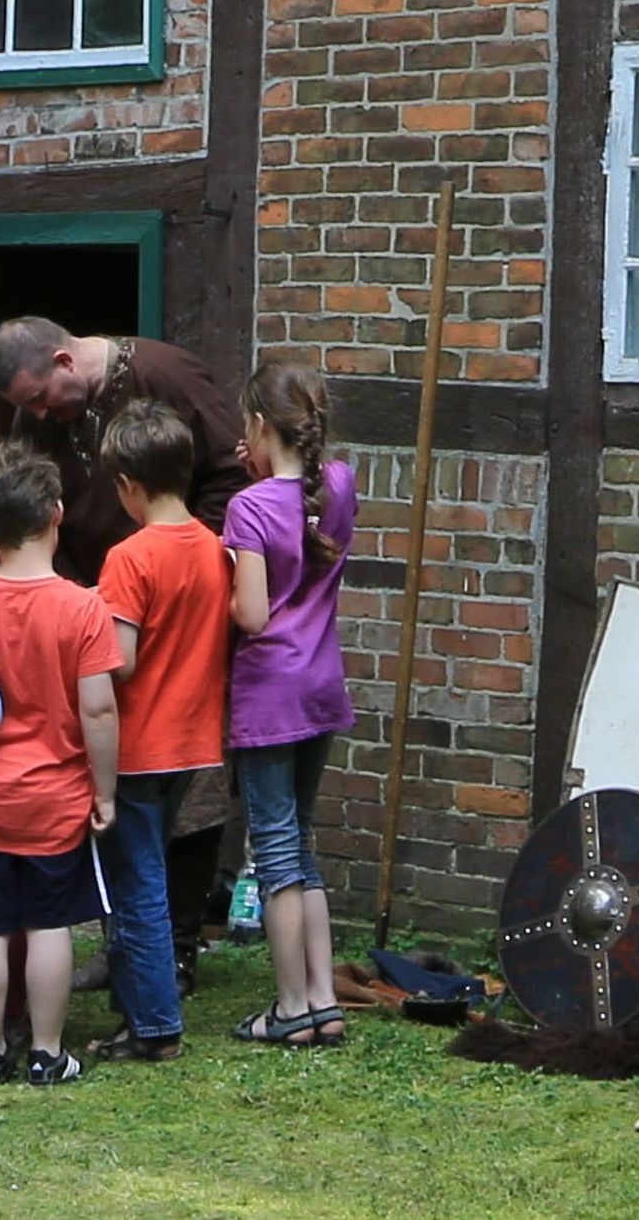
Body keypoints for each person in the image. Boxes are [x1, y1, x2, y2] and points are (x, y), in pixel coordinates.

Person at [0, 448, 118, 1086]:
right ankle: (47, 1050)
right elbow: (98, 710)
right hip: (57, 794)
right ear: (57, 515)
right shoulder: (81, 608)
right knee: (50, 922)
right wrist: (105, 791)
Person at [86, 398, 231, 1063]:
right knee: (151, 879)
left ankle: (153, 1024)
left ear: (128, 485)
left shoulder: (129, 556)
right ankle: (140, 1007)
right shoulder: (213, 547)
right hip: (193, 741)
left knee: (135, 885)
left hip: (138, 745)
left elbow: (123, 658)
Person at [221, 359, 361, 1047]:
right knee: (303, 841)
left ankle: (288, 1006)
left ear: (256, 424)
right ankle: (324, 997)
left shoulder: (247, 508)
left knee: (273, 847)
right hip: (322, 681)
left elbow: (249, 611)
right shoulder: (338, 483)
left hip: (268, 690)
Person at [0, 316, 248, 525]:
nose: (38, 413)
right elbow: (29, 502)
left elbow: (232, 470)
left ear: (64, 361)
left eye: (40, 397)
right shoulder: (33, 415)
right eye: (26, 405)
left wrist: (185, 553)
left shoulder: (167, 375)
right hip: (76, 591)